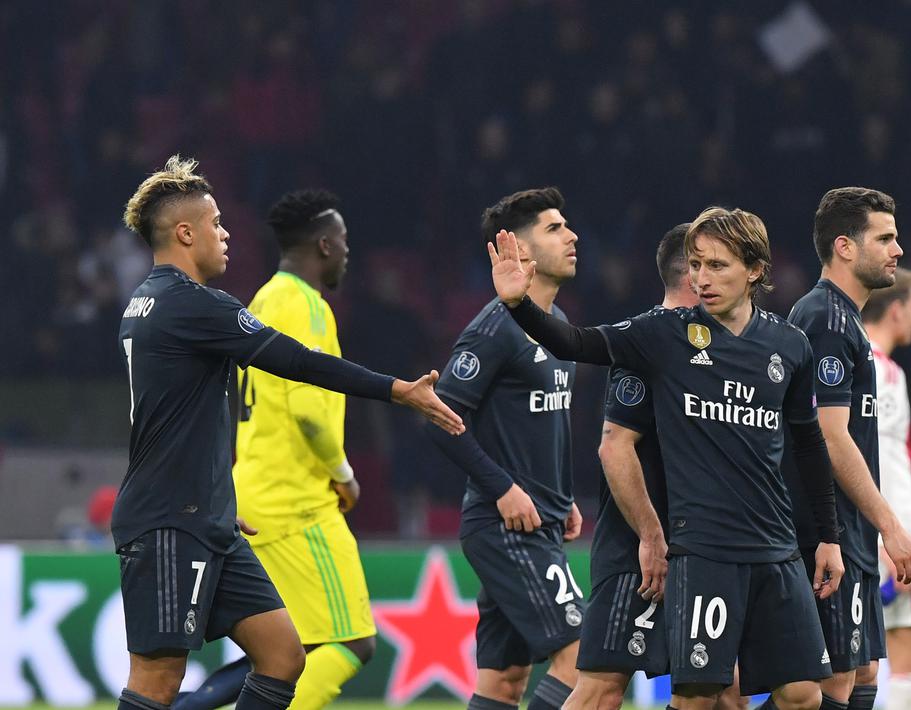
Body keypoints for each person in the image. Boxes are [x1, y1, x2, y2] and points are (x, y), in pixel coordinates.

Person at [114, 156, 463, 710]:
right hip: (168, 521)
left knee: (283, 653)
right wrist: (399, 389)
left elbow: (181, 418)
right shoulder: (192, 306)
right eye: (216, 224)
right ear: (185, 233)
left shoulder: (146, 301)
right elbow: (300, 363)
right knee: (158, 678)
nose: (226, 235)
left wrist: (215, 497)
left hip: (206, 515)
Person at [489, 206, 843, 710]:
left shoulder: (790, 345)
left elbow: (809, 444)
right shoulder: (666, 335)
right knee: (697, 697)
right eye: (696, 265)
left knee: (805, 696)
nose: (702, 278)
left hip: (775, 548)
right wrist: (520, 304)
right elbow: (576, 342)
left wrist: (828, 537)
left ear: (755, 269)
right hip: (704, 551)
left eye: (717, 266)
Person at [174, 189, 378, 710]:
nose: (350, 253)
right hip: (298, 504)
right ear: (326, 245)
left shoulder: (263, 299)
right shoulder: (305, 304)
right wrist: (343, 471)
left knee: (283, 648)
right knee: (352, 641)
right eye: (346, 242)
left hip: (254, 496)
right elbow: (308, 409)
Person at [564, 224, 745, 710]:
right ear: (692, 273)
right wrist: (649, 534)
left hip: (700, 547)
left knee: (723, 691)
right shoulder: (646, 344)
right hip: (641, 551)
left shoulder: (707, 347)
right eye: (709, 262)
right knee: (602, 688)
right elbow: (614, 448)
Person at [426, 187, 585, 710]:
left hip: (538, 522)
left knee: (504, 681)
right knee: (581, 658)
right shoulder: (495, 329)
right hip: (507, 528)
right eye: (554, 228)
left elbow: (538, 422)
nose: (572, 236)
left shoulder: (557, 328)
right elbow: (439, 416)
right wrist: (504, 489)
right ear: (517, 247)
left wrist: (561, 496)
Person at [786, 187, 911, 710]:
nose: (897, 250)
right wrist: (890, 524)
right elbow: (830, 437)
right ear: (844, 246)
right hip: (829, 535)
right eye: (884, 238)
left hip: (852, 534)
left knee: (862, 673)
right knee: (832, 684)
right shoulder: (824, 320)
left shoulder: (848, 325)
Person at [861, 269, 911, 710]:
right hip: (889, 533)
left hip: (886, 529)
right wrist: (890, 534)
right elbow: (870, 460)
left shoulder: (885, 371)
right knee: (902, 651)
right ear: (897, 308)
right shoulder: (875, 372)